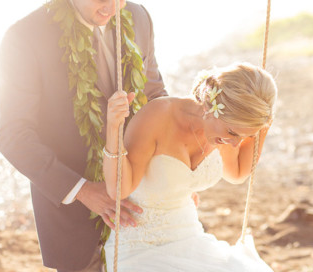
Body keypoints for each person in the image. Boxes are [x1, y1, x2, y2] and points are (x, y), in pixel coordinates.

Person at [0, 0, 168, 270]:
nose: (112, 9)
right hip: (74, 222)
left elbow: (156, 97)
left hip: (140, 206)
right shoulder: (24, 37)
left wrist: (173, 170)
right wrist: (83, 190)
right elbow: (12, 134)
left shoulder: (138, 16)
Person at [102, 62, 276, 271]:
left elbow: (237, 173)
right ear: (212, 108)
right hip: (138, 246)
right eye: (233, 134)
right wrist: (113, 128)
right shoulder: (159, 115)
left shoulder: (224, 129)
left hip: (189, 236)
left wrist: (263, 124)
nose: (236, 144)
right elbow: (119, 189)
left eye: (244, 136)